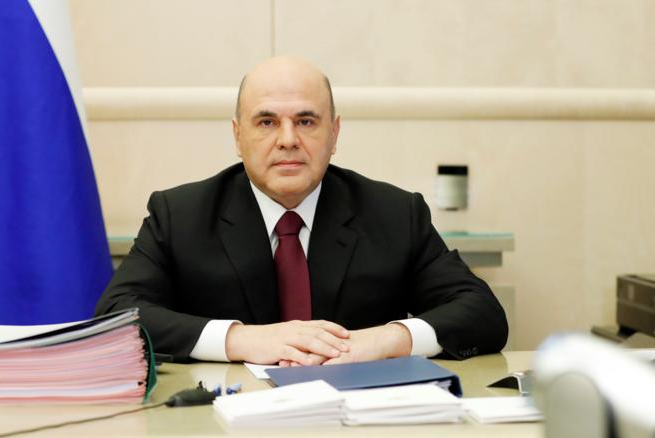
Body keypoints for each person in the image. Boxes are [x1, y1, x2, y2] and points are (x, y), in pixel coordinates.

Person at [95, 56, 508, 366]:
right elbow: (117, 314)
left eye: (306, 121)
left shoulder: (395, 214)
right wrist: (241, 339)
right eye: (267, 122)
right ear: (238, 136)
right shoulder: (180, 215)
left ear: (334, 133)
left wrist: (385, 340)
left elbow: (482, 313)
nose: (288, 139)